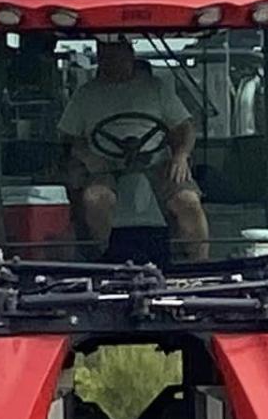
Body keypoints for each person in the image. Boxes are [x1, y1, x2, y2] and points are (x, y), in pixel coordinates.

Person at [58, 38, 208, 262]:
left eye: (117, 55)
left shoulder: (156, 87)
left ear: (130, 55)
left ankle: (200, 265)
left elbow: (185, 127)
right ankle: (104, 262)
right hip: (104, 166)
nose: (111, 61)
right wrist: (87, 156)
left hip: (157, 163)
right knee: (95, 198)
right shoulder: (86, 94)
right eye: (105, 56)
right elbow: (67, 136)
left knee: (188, 200)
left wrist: (181, 155)